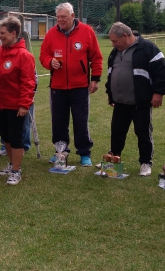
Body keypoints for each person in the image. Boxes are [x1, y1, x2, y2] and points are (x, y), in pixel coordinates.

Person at [39, 2, 103, 167]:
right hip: (57, 88)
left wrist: (95, 79)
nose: (60, 20)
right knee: (59, 121)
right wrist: (49, 62)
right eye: (58, 17)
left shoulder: (87, 31)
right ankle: (61, 151)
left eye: (64, 17)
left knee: (81, 121)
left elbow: (96, 57)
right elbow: (43, 56)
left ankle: (84, 153)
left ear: (73, 16)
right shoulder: (51, 34)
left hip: (80, 86)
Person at [105, 22, 165, 176]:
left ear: (126, 36)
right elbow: (110, 73)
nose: (113, 44)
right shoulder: (115, 52)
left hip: (141, 102)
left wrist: (158, 93)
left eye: (115, 41)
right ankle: (113, 158)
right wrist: (111, 93)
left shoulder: (148, 48)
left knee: (143, 133)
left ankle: (146, 162)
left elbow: (162, 71)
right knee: (117, 132)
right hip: (120, 102)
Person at [0, 16, 35, 185]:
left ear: (14, 33)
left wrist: (24, 104)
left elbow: (28, 83)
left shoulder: (24, 56)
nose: (0, 36)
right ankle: (12, 164)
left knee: (16, 138)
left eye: (3, 33)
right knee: (6, 137)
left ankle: (16, 170)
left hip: (16, 106)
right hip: (0, 104)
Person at [0, 71, 38, 156]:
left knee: (24, 123)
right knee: (6, 123)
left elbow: (33, 77)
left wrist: (32, 94)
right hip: (6, 95)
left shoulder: (26, 57)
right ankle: (6, 145)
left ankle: (24, 145)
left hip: (24, 95)